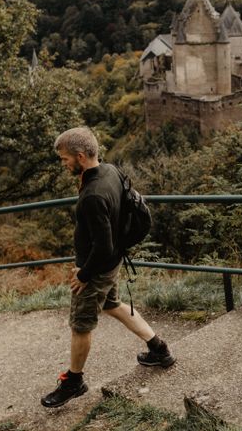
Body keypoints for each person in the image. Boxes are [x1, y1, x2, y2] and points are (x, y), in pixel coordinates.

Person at [41, 126, 174, 408]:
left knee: (80, 325)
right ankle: (159, 349)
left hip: (96, 269)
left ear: (80, 155)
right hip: (111, 264)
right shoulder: (110, 171)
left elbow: (102, 245)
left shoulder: (92, 196)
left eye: (65, 159)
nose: (63, 163)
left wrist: (84, 275)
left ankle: (74, 381)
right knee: (113, 305)